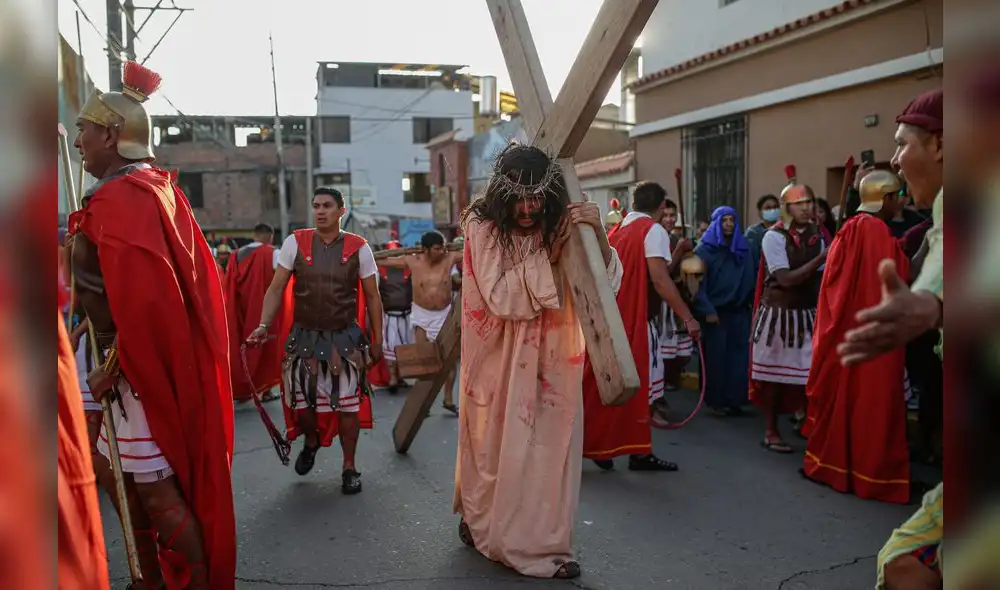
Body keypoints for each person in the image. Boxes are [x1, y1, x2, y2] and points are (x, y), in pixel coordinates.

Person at [70, 60, 236, 589]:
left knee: (156, 489)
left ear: (111, 135)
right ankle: (150, 578)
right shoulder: (146, 187)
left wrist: (113, 367)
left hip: (135, 367)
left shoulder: (123, 197)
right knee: (116, 473)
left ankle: (192, 582)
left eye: (84, 129)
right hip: (131, 359)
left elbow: (144, 304)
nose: (77, 141)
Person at [454, 143, 623, 580]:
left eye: (536, 198)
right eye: (519, 199)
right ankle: (481, 521)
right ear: (501, 194)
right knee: (494, 448)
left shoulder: (558, 221)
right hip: (496, 355)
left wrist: (596, 233)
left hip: (553, 355)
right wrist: (547, 253)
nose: (528, 209)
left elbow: (604, 285)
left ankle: (543, 545)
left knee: (550, 448)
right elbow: (499, 296)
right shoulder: (482, 226)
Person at [247, 186, 383, 494]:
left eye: (327, 206)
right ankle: (311, 441)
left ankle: (349, 467)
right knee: (303, 406)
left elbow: (373, 297)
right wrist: (263, 324)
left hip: (345, 340)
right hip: (304, 338)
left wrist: (378, 340)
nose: (320, 211)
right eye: (316, 205)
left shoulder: (359, 247)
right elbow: (276, 287)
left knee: (348, 408)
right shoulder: (294, 242)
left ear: (341, 211)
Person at [802, 170, 912, 504]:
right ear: (886, 198)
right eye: (898, 196)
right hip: (871, 334)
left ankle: (837, 467)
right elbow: (897, 277)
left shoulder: (850, 227)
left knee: (847, 403)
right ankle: (872, 475)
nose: (901, 203)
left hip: (846, 332)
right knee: (872, 404)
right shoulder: (874, 230)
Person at [583, 181, 700, 470]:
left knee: (611, 388)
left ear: (632, 204)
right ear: (661, 207)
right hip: (633, 319)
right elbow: (659, 279)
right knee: (639, 391)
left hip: (613, 319)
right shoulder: (652, 230)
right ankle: (629, 452)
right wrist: (688, 317)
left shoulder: (619, 229)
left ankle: (616, 449)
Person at [748, 168, 826, 453]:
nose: (806, 208)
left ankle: (807, 425)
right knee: (772, 378)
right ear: (787, 207)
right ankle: (771, 431)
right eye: (799, 203)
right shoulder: (773, 237)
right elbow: (785, 279)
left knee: (810, 376)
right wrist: (822, 258)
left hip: (807, 314)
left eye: (809, 202)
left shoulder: (819, 237)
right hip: (777, 316)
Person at [378, 230, 462, 413]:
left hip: (444, 314)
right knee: (424, 362)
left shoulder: (450, 258)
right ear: (426, 250)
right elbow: (381, 261)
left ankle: (448, 400)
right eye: (437, 248)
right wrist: (365, 254)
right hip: (421, 315)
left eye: (443, 248)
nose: (442, 251)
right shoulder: (412, 261)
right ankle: (423, 403)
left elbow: (474, 252)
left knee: (448, 361)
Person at [692, 206, 756, 416]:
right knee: (717, 358)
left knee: (739, 358)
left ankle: (735, 400)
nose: (728, 224)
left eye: (732, 220)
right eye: (724, 220)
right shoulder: (704, 251)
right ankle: (717, 402)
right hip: (716, 313)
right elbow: (696, 285)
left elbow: (752, 277)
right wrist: (707, 309)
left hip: (739, 312)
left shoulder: (744, 247)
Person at [224, 223, 286, 403]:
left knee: (241, 347)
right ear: (270, 236)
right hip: (262, 307)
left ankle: (242, 389)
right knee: (266, 349)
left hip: (238, 307)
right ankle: (265, 391)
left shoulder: (236, 255)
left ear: (254, 235)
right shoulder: (273, 253)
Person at [658, 203, 695, 393]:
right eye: (665, 215)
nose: (669, 219)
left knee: (682, 352)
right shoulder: (655, 239)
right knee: (664, 348)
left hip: (680, 299)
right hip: (662, 303)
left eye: (673, 215)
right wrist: (679, 251)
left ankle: (673, 377)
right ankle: (662, 385)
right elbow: (662, 274)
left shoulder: (675, 238)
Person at [377, 239, 413, 393]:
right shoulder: (380, 270)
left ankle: (400, 376)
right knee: (390, 347)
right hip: (389, 316)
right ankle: (392, 377)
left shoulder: (409, 268)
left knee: (404, 347)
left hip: (407, 315)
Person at [745, 194, 780, 263]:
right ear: (760, 212)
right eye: (768, 208)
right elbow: (751, 259)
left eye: (775, 207)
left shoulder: (785, 230)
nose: (773, 210)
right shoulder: (753, 233)